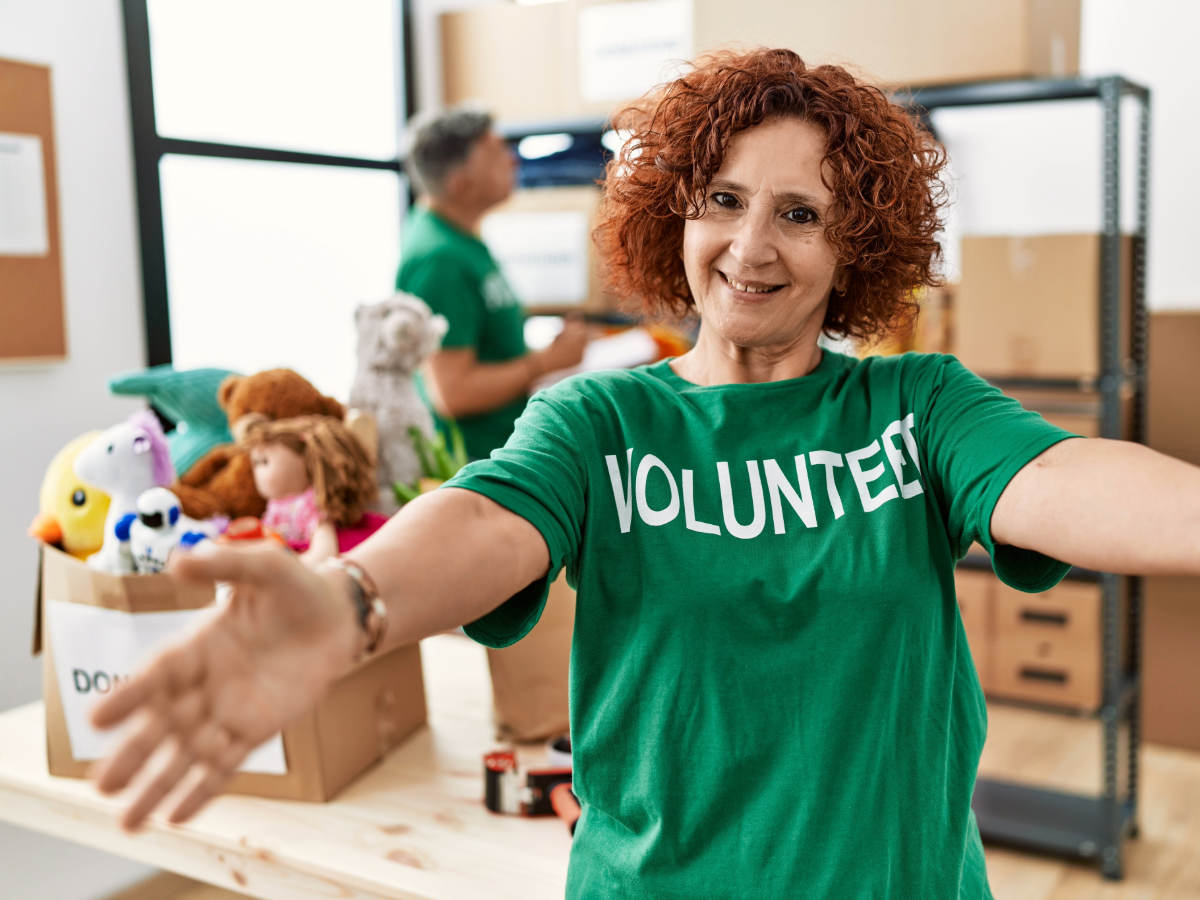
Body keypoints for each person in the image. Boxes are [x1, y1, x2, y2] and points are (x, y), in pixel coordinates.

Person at [90, 49, 1200, 899]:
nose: (750, 247)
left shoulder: (914, 406)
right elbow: (485, 518)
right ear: (675, 209)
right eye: (721, 199)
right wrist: (350, 604)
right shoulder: (601, 419)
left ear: (853, 247)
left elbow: (1063, 479)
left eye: (799, 214)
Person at [397, 107, 588, 461]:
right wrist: (547, 361)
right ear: (461, 182)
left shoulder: (459, 238)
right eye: (496, 152)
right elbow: (452, 392)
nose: (512, 161)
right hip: (474, 462)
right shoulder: (438, 259)